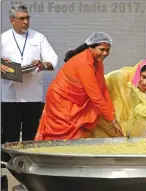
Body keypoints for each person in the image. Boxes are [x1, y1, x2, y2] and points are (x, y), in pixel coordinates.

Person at [35, 32, 123, 141]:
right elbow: (95, 96)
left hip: (76, 102)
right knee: (60, 135)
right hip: (60, 100)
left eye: (107, 50)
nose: (105, 53)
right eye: (102, 49)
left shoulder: (98, 63)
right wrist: (112, 120)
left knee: (77, 134)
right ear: (91, 47)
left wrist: (112, 116)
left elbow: (103, 90)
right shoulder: (83, 63)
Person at [1, 5, 58, 145]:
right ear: (11, 20)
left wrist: (42, 64)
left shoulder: (38, 37)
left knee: (30, 135)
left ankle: (28, 163)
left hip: (33, 95)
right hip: (10, 95)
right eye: (21, 19)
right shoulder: (3, 38)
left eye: (27, 18)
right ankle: (9, 163)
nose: (25, 22)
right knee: (10, 134)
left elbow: (53, 59)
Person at [89, 60, 146, 138]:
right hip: (104, 119)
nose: (145, 82)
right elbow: (99, 86)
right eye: (143, 76)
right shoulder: (119, 76)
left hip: (117, 126)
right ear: (138, 72)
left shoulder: (141, 91)